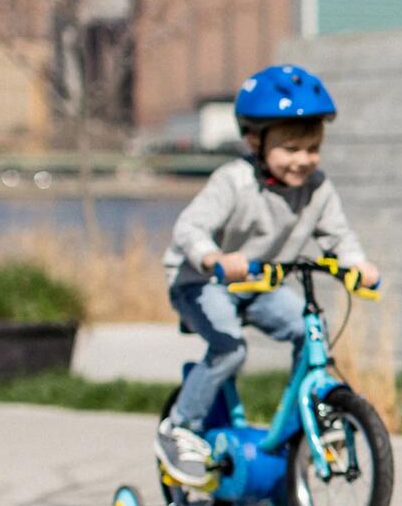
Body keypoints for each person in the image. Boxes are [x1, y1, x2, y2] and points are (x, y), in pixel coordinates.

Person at [155, 63, 380, 484]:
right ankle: (180, 429)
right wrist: (213, 259)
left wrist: (357, 265)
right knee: (230, 348)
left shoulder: (317, 188)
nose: (304, 160)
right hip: (202, 283)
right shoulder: (234, 181)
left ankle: (297, 428)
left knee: (309, 331)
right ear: (255, 141)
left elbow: (339, 236)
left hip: (259, 287)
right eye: (291, 149)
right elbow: (189, 228)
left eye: (312, 148)